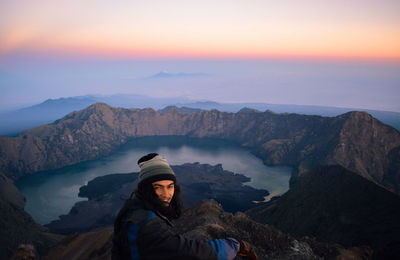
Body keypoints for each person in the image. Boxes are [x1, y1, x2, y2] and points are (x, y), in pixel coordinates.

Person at [112, 153, 257, 260]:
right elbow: (188, 251)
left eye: (170, 186)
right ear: (146, 189)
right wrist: (234, 245)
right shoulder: (146, 223)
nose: (166, 194)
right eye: (158, 187)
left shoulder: (136, 208)